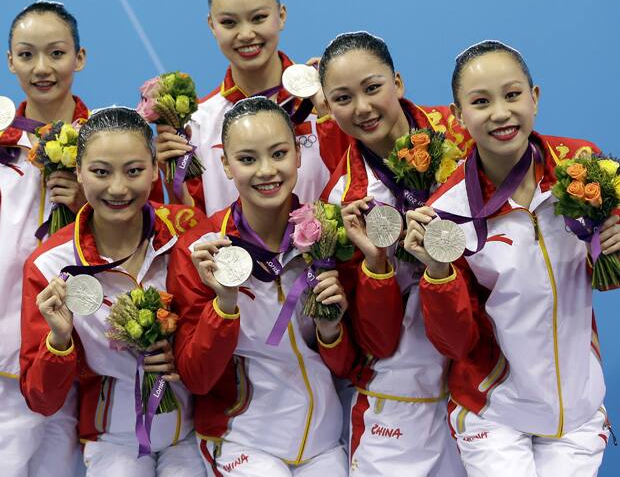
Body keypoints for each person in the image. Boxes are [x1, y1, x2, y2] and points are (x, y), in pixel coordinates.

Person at [406, 40, 618, 477]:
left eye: (513, 94)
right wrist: (436, 271)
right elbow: (454, 343)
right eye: (481, 102)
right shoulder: (447, 212)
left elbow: (607, 277)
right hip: (494, 413)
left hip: (576, 413)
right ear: (459, 115)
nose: (500, 113)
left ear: (534, 98)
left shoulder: (582, 169)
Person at [171, 97, 353, 476]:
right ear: (225, 164)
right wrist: (223, 303)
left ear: (298, 155)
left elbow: (346, 365)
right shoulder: (201, 250)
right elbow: (197, 378)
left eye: (279, 153)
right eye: (248, 159)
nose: (266, 171)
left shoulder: (324, 236)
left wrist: (331, 329)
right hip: (242, 441)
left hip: (322, 442)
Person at [20, 107, 206, 476]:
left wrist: (183, 356)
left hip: (192, 434)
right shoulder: (50, 265)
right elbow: (41, 399)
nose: (118, 188)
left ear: (155, 169)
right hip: (113, 442)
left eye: (134, 171)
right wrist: (58, 341)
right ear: (77, 172)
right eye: (101, 172)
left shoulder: (189, 232)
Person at [0, 0, 89, 476]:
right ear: (10, 61)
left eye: (56, 53)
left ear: (80, 57)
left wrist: (87, 204)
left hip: (71, 360)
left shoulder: (107, 146)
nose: (42, 68)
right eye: (27, 55)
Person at [318, 31, 467, 476]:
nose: (362, 108)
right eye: (343, 97)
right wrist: (375, 264)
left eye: (372, 88)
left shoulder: (464, 137)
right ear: (327, 106)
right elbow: (377, 342)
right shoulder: (343, 203)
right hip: (399, 399)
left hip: (484, 385)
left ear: (397, 82)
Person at [153, 0, 345, 215]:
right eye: (229, 23)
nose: (245, 34)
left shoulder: (324, 104)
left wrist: (330, 119)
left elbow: (355, 187)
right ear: (212, 25)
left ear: (282, 15)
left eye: (258, 18)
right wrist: (171, 180)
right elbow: (196, 228)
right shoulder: (196, 125)